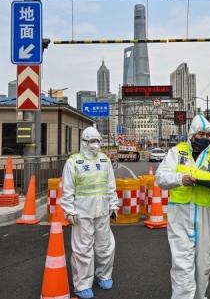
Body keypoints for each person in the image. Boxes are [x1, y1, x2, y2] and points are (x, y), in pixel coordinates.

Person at [156, 114, 210, 299]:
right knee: (182, 264)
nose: (205, 138)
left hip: (208, 214)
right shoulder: (176, 152)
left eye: (208, 135)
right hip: (180, 213)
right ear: (192, 135)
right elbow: (160, 177)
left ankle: (200, 296)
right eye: (201, 134)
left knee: (204, 263)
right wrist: (180, 179)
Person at [61, 127, 119, 299]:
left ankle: (104, 275)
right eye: (92, 141)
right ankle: (82, 284)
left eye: (98, 141)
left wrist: (113, 206)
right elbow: (67, 189)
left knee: (105, 246)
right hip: (82, 213)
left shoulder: (105, 160)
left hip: (102, 211)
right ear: (84, 143)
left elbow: (111, 185)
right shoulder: (73, 162)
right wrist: (69, 211)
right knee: (82, 250)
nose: (96, 145)